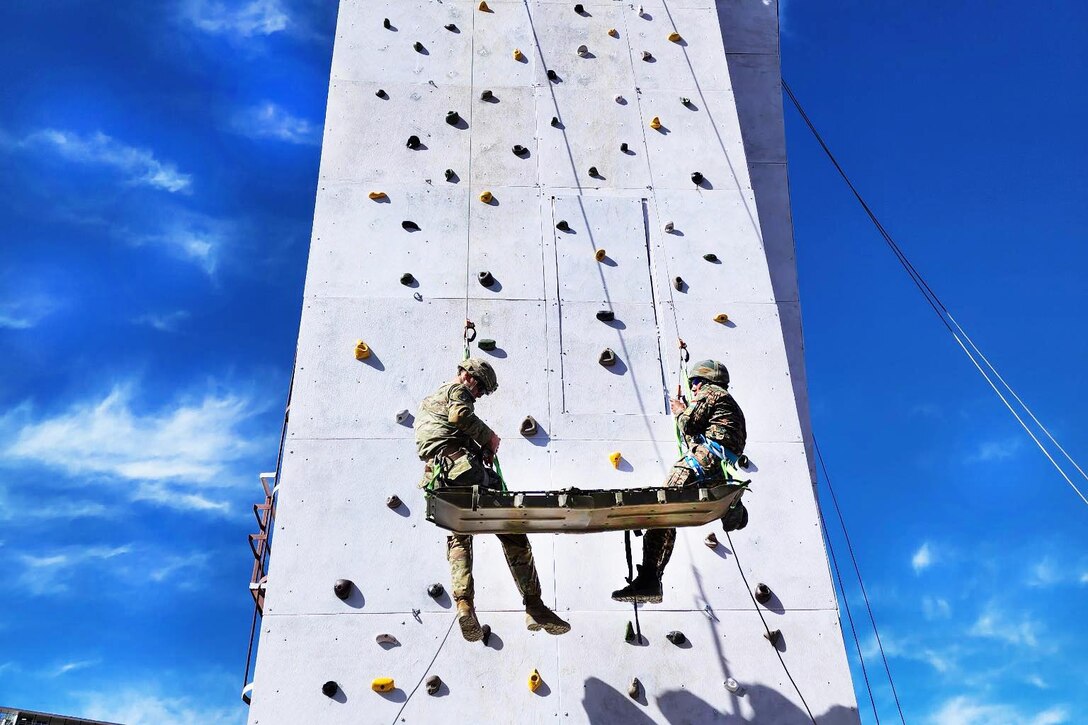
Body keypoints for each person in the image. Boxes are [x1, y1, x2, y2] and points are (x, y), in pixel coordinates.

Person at [415, 357, 571, 640]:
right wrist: (489, 438)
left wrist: (477, 448)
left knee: (460, 536)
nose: (479, 395)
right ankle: (534, 603)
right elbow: (459, 416)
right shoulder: (457, 390)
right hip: (460, 469)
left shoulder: (431, 400)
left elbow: (444, 433)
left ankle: (464, 605)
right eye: (481, 389)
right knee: (512, 528)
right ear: (470, 377)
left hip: (440, 478)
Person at [611, 359, 747, 604]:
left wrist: (680, 410)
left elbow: (690, 423)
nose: (693, 387)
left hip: (702, 459)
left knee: (661, 507)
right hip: (716, 466)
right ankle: (652, 579)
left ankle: (651, 579)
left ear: (707, 381)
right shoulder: (729, 403)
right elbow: (695, 433)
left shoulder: (711, 392)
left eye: (695, 382)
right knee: (669, 516)